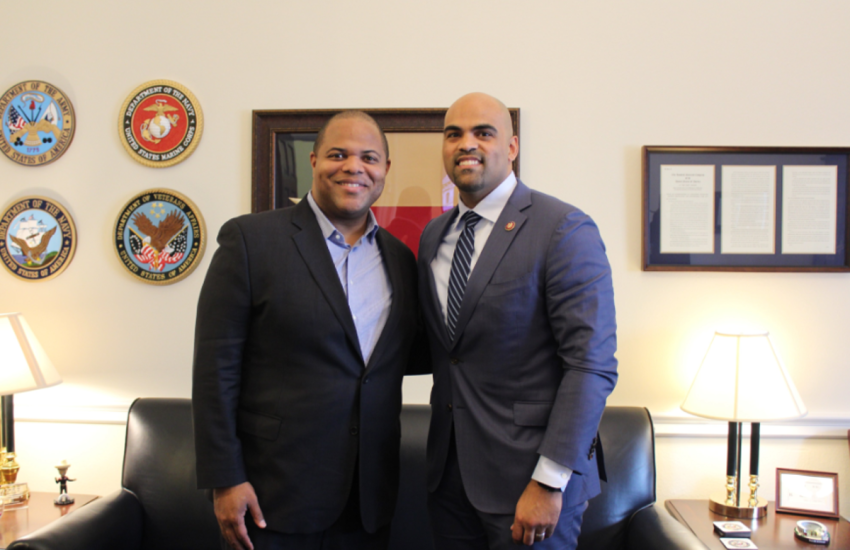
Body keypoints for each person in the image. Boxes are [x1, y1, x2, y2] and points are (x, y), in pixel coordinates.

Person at [193, 111, 425, 550]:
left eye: (368, 157)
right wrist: (225, 480)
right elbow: (214, 371)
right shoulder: (250, 241)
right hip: (271, 498)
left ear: (385, 171)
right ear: (314, 161)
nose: (353, 167)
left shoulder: (400, 258)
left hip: (368, 502)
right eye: (338, 154)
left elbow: (392, 361)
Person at [417, 93, 618, 550]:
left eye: (483, 132)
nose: (466, 144)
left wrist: (549, 482)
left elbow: (591, 366)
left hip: (531, 483)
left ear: (511, 148)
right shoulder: (434, 236)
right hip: (448, 480)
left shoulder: (564, 229)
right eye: (454, 134)